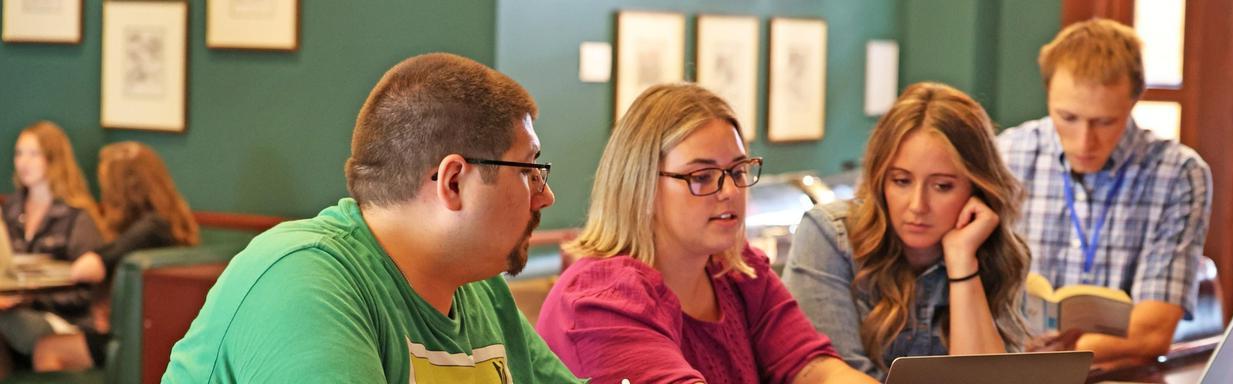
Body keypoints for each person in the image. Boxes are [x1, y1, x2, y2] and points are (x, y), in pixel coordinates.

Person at [163, 53, 581, 382]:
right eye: (528, 171)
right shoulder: (304, 280)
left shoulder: (480, 291)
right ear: (452, 182)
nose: (545, 196)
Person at [536, 83, 877, 384]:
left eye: (739, 170)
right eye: (702, 176)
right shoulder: (600, 299)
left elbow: (811, 366)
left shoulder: (736, 269)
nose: (729, 190)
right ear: (641, 184)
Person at [997, 19, 1212, 366]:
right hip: (1014, 369)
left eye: (1104, 122)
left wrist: (1057, 353)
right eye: (1067, 117)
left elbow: (1151, 334)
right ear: (1048, 92)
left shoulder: (1178, 174)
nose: (1084, 142)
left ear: (1134, 100)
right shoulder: (1006, 155)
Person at [782, 82, 1032, 380]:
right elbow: (834, 374)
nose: (918, 205)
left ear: (977, 188)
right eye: (901, 181)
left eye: (942, 186)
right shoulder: (830, 237)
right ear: (880, 179)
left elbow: (989, 380)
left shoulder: (991, 252)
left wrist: (962, 262)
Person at [32, 141, 201, 371]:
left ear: (122, 189)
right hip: (158, 336)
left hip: (140, 341)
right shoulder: (171, 224)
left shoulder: (151, 228)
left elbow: (90, 267)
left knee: (46, 349)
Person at [0, 121, 104, 376]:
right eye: (19, 153)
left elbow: (86, 294)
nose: (23, 162)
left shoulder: (77, 216)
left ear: (53, 159)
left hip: (63, 321)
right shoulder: (9, 211)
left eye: (33, 154)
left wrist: (31, 299)